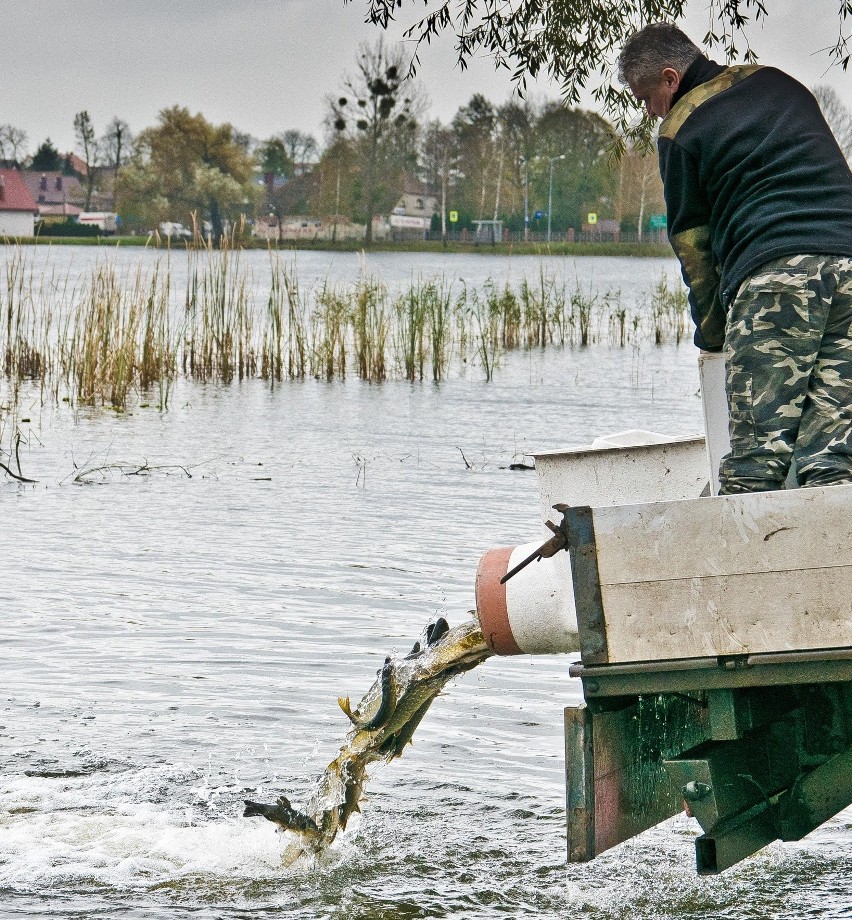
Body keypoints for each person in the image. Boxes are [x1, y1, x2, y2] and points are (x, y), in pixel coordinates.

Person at [618, 23, 852, 493]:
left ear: (669, 78)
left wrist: (713, 333)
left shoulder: (680, 128)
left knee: (755, 462)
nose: (649, 113)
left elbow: (693, 245)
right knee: (833, 459)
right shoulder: (781, 84)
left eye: (646, 99)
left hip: (775, 275)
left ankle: (732, 563)